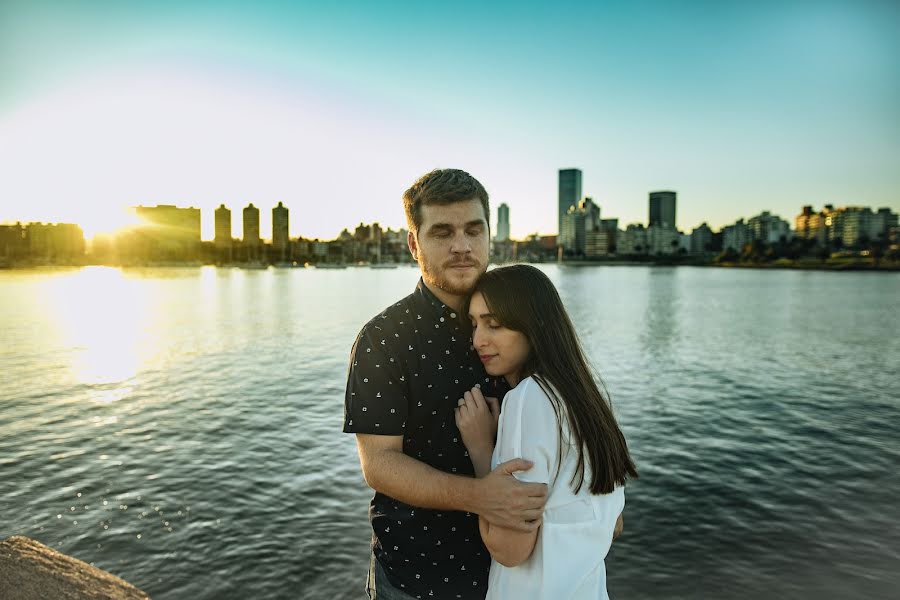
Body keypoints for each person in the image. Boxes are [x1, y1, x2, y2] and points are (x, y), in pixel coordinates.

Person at [343, 169, 549, 600]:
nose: (462, 246)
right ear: (414, 243)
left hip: (522, 577)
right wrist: (481, 497)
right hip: (417, 579)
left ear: (490, 236)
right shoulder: (384, 339)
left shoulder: (526, 321)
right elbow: (379, 464)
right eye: (442, 232)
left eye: (474, 230)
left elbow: (569, 408)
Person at [454, 264, 638, 599]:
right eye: (474, 323)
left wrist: (481, 449)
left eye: (493, 324)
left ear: (534, 326)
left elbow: (510, 550)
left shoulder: (528, 398)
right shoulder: (585, 400)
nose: (477, 339)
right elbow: (614, 525)